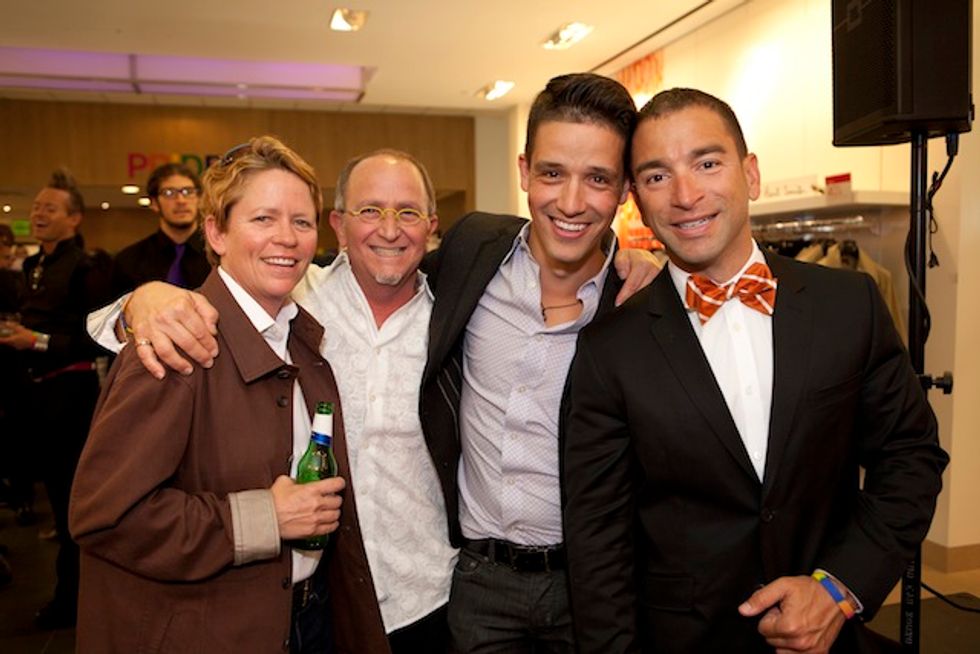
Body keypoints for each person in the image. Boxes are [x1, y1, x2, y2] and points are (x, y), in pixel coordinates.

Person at [87, 73, 660, 654]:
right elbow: (211, 307)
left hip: (438, 593)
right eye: (369, 210)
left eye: (408, 213)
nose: (389, 230)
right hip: (324, 597)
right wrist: (141, 303)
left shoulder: (453, 305)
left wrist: (640, 261)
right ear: (338, 225)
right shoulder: (299, 303)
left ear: (432, 231)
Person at [561, 88, 949, 653]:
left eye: (707, 164)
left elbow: (910, 458)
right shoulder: (608, 348)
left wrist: (838, 588)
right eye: (657, 176)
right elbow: (598, 541)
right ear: (638, 203)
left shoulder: (850, 304)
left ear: (751, 175)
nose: (686, 195)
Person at [69, 136, 349, 653]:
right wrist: (267, 517)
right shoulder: (176, 343)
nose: (287, 238)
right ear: (217, 232)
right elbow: (106, 516)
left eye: (302, 222)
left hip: (299, 619)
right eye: (263, 219)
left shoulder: (300, 340)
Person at [419, 72, 647, 653]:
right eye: (552, 173)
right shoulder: (472, 248)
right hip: (478, 582)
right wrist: (185, 300)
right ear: (524, 171)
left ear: (625, 189)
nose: (570, 203)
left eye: (597, 179)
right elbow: (370, 280)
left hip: (592, 588)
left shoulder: (642, 304)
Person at [0, 169, 110, 629]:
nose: (38, 214)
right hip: (34, 396)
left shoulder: (86, 268)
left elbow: (99, 338)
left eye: (50, 208)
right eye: (37, 207)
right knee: (50, 494)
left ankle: (75, 602)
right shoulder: (31, 267)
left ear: (74, 218)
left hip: (71, 398)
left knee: (72, 506)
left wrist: (38, 341)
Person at [110, 162, 212, 294]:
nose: (181, 200)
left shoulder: (219, 256)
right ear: (154, 203)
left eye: (188, 191)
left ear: (199, 199)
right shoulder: (128, 261)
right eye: (169, 193)